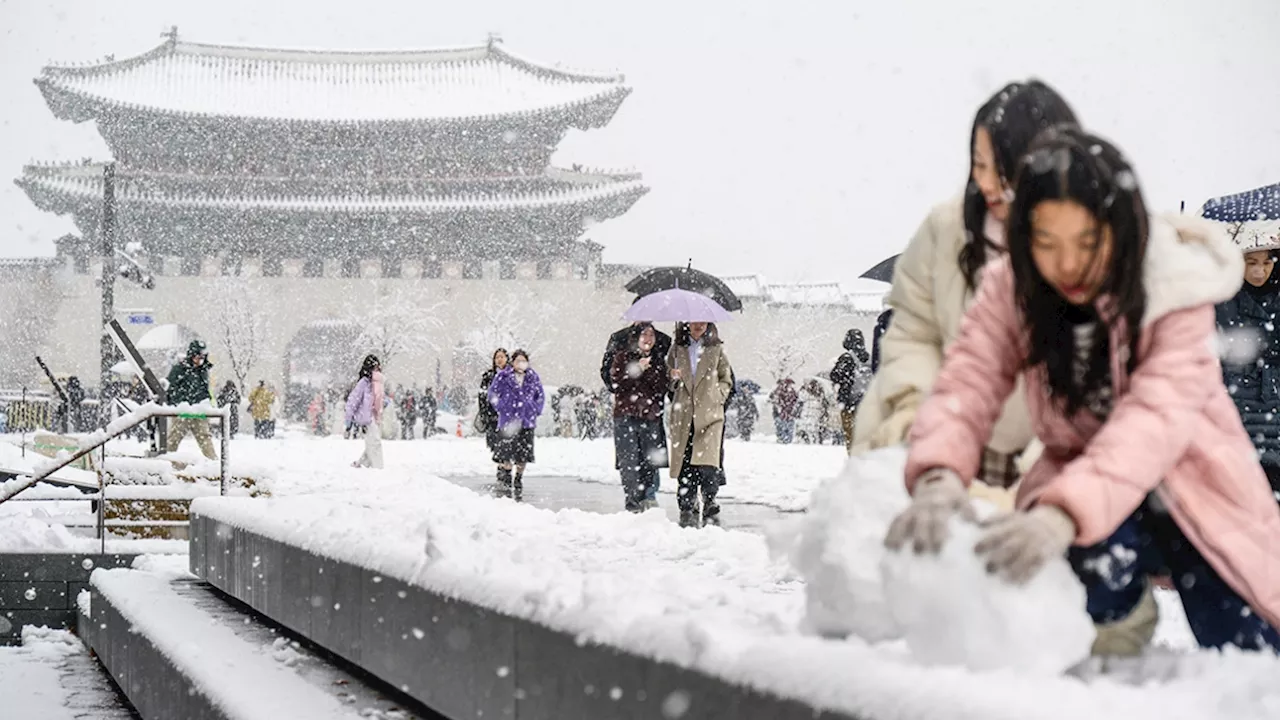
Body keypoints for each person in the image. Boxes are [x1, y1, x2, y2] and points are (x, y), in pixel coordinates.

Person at [887, 126, 1280, 656]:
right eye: (1047, 242)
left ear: (1118, 229)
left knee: (1247, 646)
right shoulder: (1014, 286)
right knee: (1087, 584)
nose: (1066, 263)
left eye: (1086, 242)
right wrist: (937, 473)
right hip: (1089, 487)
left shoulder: (1172, 285)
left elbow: (1153, 421)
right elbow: (968, 382)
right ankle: (1118, 627)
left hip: (1197, 479)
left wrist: (1062, 513)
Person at [854, 80, 1079, 494]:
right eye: (980, 164)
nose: (989, 183)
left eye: (1005, 167)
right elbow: (912, 334)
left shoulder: (1091, 243)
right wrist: (915, 422)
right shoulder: (947, 230)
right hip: (948, 442)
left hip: (1060, 462)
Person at [1214, 230, 1280, 494]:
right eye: (1251, 262)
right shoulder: (1220, 298)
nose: (1259, 271)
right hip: (1237, 405)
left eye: (1267, 262)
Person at [667, 321, 733, 528]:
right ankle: (687, 503)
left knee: (708, 462)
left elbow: (726, 378)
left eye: (702, 321)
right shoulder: (677, 349)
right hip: (685, 412)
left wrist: (718, 395)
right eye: (694, 321)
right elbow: (668, 377)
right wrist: (673, 377)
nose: (698, 325)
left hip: (710, 412)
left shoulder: (716, 349)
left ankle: (709, 499)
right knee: (686, 460)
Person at [603, 321, 673, 497]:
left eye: (651, 335)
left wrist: (669, 377)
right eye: (644, 335)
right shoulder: (622, 356)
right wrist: (637, 369)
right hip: (626, 416)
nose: (648, 339)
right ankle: (633, 501)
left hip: (650, 416)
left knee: (650, 462)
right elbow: (616, 383)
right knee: (629, 461)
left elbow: (661, 387)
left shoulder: (658, 359)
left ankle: (648, 497)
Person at [487, 349, 545, 501]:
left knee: (523, 453)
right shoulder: (503, 376)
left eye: (523, 361)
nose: (521, 364)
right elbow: (492, 393)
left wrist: (535, 408)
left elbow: (540, 396)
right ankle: (506, 475)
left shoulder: (533, 377)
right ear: (512, 362)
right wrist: (501, 406)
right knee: (506, 452)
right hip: (508, 420)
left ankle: (519, 477)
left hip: (526, 420)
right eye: (517, 361)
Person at [164, 340, 217, 459]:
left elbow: (204, 390)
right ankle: (165, 462)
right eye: (198, 357)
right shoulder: (179, 369)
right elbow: (171, 389)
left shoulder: (203, 370)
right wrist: (182, 402)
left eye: (202, 357)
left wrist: (206, 403)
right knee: (173, 439)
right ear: (191, 355)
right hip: (183, 410)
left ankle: (214, 464)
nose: (200, 360)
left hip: (199, 410)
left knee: (205, 438)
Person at [829, 329, 871, 453]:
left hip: (849, 404)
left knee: (851, 437)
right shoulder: (869, 358)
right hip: (866, 404)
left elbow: (835, 376)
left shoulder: (847, 357)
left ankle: (855, 462)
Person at [344, 355, 385, 469]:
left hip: (375, 416)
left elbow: (379, 398)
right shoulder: (364, 382)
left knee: (371, 442)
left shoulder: (377, 383)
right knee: (375, 441)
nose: (377, 368)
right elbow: (353, 400)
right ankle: (378, 467)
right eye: (375, 366)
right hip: (366, 417)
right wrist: (348, 419)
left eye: (378, 365)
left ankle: (361, 463)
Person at [478, 349, 509, 484]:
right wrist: (484, 413)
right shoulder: (489, 376)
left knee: (506, 442)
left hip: (507, 416)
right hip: (492, 416)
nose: (499, 359)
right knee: (496, 443)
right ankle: (501, 465)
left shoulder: (511, 375)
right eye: (497, 357)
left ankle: (504, 467)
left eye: (502, 357)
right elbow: (482, 396)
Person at [769, 378, 800, 444]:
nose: (791, 386)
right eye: (790, 384)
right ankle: (782, 439)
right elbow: (776, 401)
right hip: (782, 414)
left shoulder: (793, 392)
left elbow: (796, 401)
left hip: (789, 414)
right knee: (782, 428)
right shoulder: (780, 392)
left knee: (789, 429)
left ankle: (786, 440)